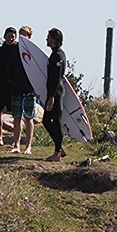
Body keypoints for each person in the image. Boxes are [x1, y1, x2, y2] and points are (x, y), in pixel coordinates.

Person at [4, 28, 36, 154]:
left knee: (29, 118)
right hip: (16, 90)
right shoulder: (13, 52)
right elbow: (8, 71)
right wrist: (11, 84)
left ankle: (28, 146)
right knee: (16, 118)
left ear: (29, 37)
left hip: (29, 91)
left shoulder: (34, 53)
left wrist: (36, 88)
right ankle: (16, 145)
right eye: (20, 36)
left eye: (25, 36)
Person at [43, 28, 67, 161]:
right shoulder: (53, 54)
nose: (46, 39)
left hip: (56, 93)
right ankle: (59, 148)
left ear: (55, 39)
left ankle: (57, 153)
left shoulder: (58, 55)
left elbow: (57, 79)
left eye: (49, 37)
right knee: (46, 121)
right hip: (52, 93)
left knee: (56, 121)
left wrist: (52, 97)